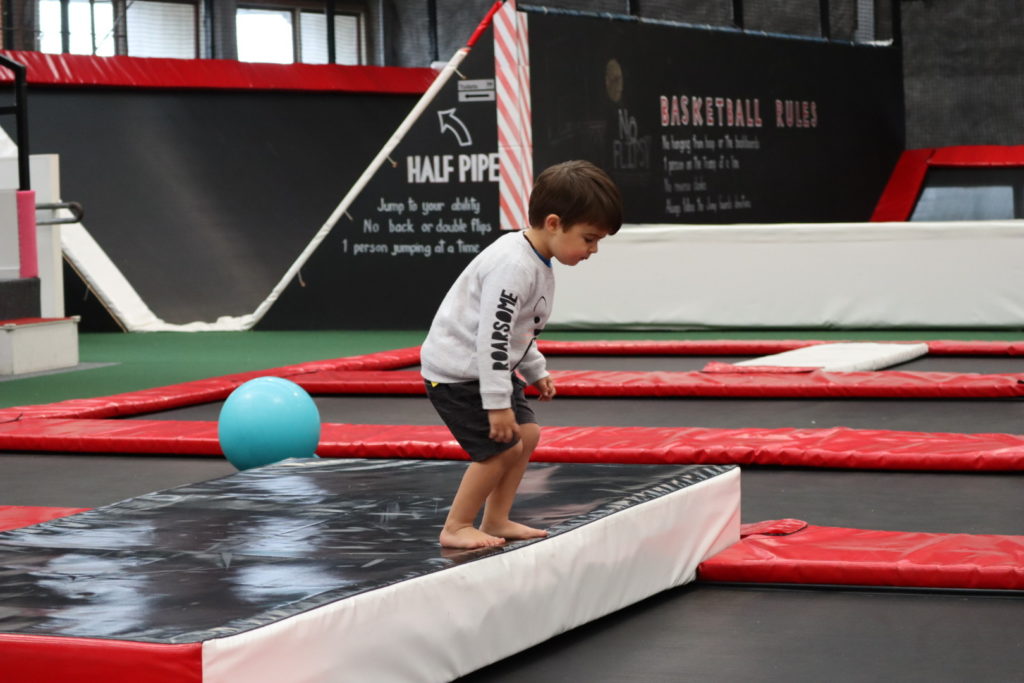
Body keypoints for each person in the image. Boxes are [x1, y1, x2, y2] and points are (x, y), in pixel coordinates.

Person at [421, 160, 623, 549]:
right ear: (553, 223)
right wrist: (497, 404)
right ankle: (457, 526)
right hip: (458, 373)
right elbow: (492, 338)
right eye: (589, 238)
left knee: (526, 435)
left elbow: (520, 329)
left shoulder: (538, 259)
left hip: (487, 369)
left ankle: (496, 519)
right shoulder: (513, 265)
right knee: (499, 450)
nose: (593, 249)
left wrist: (535, 371)